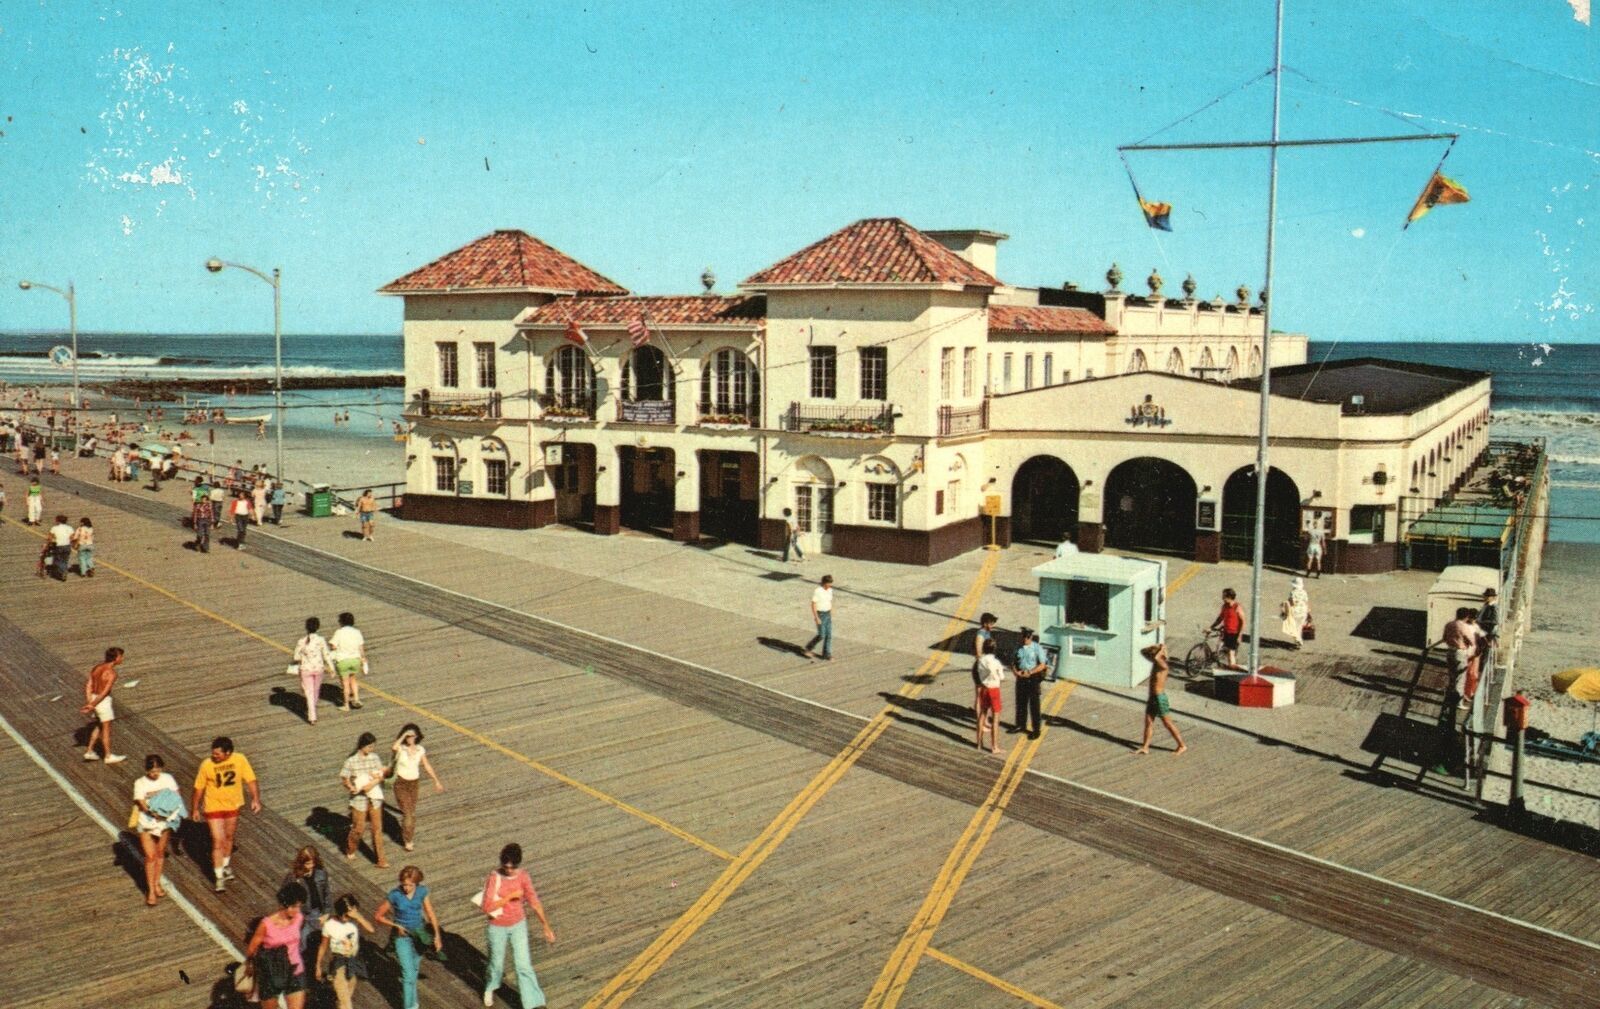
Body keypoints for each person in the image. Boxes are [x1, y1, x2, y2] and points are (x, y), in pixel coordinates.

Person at [479, 842, 556, 1009]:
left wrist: (546, 926)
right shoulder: (494, 877)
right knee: (496, 964)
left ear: (518, 864)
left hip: (518, 925)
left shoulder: (523, 877)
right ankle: (490, 987)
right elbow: (487, 907)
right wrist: (510, 897)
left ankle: (534, 1003)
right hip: (497, 926)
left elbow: (534, 901)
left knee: (523, 965)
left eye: (512, 867)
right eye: (505, 866)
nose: (509, 870)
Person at [191, 735, 261, 892]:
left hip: (232, 805)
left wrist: (256, 799)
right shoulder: (206, 764)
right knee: (218, 840)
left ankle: (225, 865)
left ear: (228, 753)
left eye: (218, 754)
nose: (214, 756)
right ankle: (219, 877)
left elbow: (250, 780)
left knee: (228, 837)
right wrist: (195, 808)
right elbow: (199, 788)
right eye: (213, 753)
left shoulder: (240, 759)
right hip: (213, 806)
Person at [374, 866, 444, 1009]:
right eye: (404, 884)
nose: (406, 888)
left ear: (417, 883)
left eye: (410, 885)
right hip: (402, 937)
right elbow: (378, 916)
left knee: (414, 971)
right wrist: (395, 925)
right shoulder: (394, 895)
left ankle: (413, 1003)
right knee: (407, 975)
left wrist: (437, 936)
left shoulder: (422, 892)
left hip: (419, 936)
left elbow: (431, 915)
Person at [132, 753, 185, 905]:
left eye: (158, 770)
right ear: (147, 770)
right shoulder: (140, 783)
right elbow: (141, 802)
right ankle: (150, 890)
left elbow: (177, 795)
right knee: (150, 856)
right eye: (152, 771)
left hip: (164, 822)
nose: (156, 774)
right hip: (147, 822)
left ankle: (156, 883)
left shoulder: (168, 778)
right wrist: (151, 812)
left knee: (160, 853)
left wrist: (170, 811)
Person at [245, 884, 309, 1009]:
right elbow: (252, 948)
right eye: (294, 906)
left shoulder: (299, 918)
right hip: (271, 972)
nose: (297, 911)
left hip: (294, 970)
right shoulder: (266, 924)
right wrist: (250, 964)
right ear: (284, 904)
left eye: (299, 906)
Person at [390, 723, 445, 852]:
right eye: (408, 736)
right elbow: (394, 747)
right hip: (401, 783)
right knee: (408, 814)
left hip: (414, 784)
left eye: (412, 736)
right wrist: (403, 734)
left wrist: (436, 781)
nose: (410, 739)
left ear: (417, 736)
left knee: (411, 812)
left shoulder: (420, 749)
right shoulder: (401, 749)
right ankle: (408, 840)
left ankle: (408, 833)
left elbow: (427, 765)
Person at [315, 894, 375, 1009]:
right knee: (346, 1003)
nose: (345, 918)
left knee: (344, 999)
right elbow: (323, 946)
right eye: (343, 915)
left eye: (348, 915)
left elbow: (371, 930)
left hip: (353, 961)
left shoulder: (354, 921)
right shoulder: (329, 925)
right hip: (339, 964)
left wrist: (358, 917)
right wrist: (318, 965)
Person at [341, 732, 389, 867]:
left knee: (377, 828)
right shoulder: (351, 761)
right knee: (359, 828)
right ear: (362, 746)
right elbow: (345, 778)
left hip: (374, 797)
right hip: (359, 799)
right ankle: (350, 848)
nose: (371, 750)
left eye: (373, 747)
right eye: (369, 747)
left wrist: (377, 779)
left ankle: (381, 860)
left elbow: (381, 774)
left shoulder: (374, 758)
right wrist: (350, 786)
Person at [1135, 643, 1187, 756]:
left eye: (1152, 655)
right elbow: (1143, 652)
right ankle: (1145, 747)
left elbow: (1156, 657)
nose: (1150, 658)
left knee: (1167, 723)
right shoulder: (1156, 663)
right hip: (1152, 697)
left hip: (1160, 698)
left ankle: (1182, 745)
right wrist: (1161, 649)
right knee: (1149, 722)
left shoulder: (1163, 666)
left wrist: (1162, 649)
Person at [80, 647, 126, 764]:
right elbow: (104, 692)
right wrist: (93, 704)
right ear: (116, 658)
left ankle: (90, 751)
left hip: (94, 698)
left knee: (98, 725)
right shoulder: (111, 673)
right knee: (106, 729)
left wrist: (90, 701)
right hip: (102, 701)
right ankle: (108, 756)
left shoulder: (97, 668)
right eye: (121, 656)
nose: (122, 659)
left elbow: (89, 684)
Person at [286, 846, 331, 956]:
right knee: (301, 944)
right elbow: (284, 897)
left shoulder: (321, 873)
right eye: (307, 864)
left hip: (317, 913)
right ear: (301, 863)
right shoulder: (293, 877)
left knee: (315, 943)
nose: (311, 867)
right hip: (301, 915)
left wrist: (327, 913)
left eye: (313, 863)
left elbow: (327, 894)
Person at [293, 617, 334, 725]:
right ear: (318, 627)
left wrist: (304, 654)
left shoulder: (301, 641)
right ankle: (312, 709)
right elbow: (326, 655)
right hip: (319, 668)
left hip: (306, 669)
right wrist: (332, 668)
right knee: (315, 691)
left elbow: (296, 657)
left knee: (309, 692)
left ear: (306, 627)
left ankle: (312, 715)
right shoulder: (321, 640)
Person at [1011, 627, 1048, 738]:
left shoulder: (1037, 648)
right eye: (1023, 638)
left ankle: (1036, 729)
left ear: (1031, 637)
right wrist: (1016, 672)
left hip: (1033, 677)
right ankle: (1020, 725)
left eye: (1027, 638)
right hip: (1021, 676)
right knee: (1020, 702)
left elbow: (1042, 664)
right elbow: (1013, 662)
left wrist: (1030, 672)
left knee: (1034, 705)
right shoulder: (1018, 648)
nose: (1025, 640)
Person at [329, 612, 367, 711]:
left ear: (341, 622)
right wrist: (363, 658)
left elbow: (333, 646)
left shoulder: (339, 632)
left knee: (345, 684)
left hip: (342, 660)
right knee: (353, 679)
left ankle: (346, 705)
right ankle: (356, 699)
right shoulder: (357, 632)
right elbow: (361, 647)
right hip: (355, 660)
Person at [975, 639, 1007, 754]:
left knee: (982, 715)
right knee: (995, 717)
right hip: (994, 690)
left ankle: (979, 743)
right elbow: (1002, 677)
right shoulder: (996, 662)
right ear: (994, 649)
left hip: (984, 688)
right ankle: (994, 746)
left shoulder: (980, 661)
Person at [972, 612, 998, 725]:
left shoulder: (986, 633)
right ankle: (980, 720)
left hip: (985, 666)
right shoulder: (980, 635)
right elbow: (978, 653)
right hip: (981, 667)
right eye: (991, 623)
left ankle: (984, 719)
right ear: (985, 623)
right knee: (980, 695)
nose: (993, 625)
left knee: (984, 694)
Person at [1209, 588, 1244, 669]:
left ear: (1229, 597)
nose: (1222, 598)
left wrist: (1240, 635)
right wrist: (1211, 627)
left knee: (1230, 653)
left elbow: (1243, 622)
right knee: (1219, 648)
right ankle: (1226, 664)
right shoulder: (1224, 606)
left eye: (1224, 596)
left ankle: (1232, 669)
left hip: (1234, 633)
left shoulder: (1237, 607)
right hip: (1225, 632)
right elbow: (1220, 618)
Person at [803, 574, 834, 660]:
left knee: (829, 635)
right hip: (820, 614)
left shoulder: (830, 590)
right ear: (824, 583)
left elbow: (830, 601)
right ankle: (809, 648)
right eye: (828, 584)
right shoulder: (818, 591)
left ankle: (827, 653)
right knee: (821, 635)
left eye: (831, 584)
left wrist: (831, 612)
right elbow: (813, 604)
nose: (830, 586)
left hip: (827, 614)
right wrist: (816, 617)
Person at [1281, 577, 1310, 649]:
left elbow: (1292, 603)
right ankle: (1298, 640)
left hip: (1295, 612)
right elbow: (1306, 602)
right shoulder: (1304, 592)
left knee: (1293, 627)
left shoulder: (1293, 592)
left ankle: (1298, 640)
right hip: (1303, 611)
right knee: (1299, 627)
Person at [48, 513, 74, 580]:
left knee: (57, 560)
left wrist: (50, 543)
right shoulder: (69, 528)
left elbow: (50, 537)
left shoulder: (54, 528)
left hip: (58, 546)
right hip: (67, 545)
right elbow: (72, 537)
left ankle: (63, 571)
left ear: (58, 521)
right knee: (65, 560)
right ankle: (64, 571)